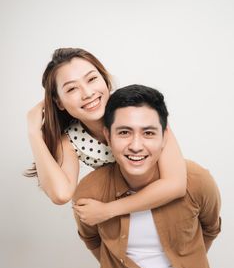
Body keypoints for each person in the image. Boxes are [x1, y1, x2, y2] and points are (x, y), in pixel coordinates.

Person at [73, 84, 221, 268]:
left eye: (149, 133)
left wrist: (186, 261)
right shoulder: (90, 192)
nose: (136, 145)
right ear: (108, 136)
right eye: (124, 132)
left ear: (165, 137)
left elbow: (211, 227)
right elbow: (90, 238)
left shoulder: (196, 181)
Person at [26, 48, 186, 225]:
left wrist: (108, 210)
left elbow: (176, 184)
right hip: (127, 224)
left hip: (171, 209)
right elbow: (61, 194)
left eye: (92, 79)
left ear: (105, 80)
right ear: (59, 102)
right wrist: (34, 133)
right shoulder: (71, 140)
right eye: (72, 89)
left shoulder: (138, 107)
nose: (87, 93)